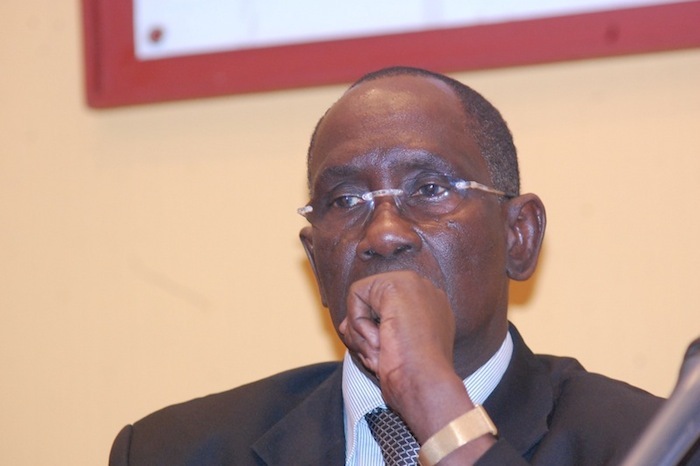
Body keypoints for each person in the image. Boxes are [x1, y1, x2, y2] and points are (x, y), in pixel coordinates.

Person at [108, 66, 698, 465]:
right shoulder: (172, 451)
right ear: (316, 260)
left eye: (430, 189)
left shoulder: (648, 443)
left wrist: (435, 404)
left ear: (518, 236)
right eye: (345, 201)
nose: (384, 233)